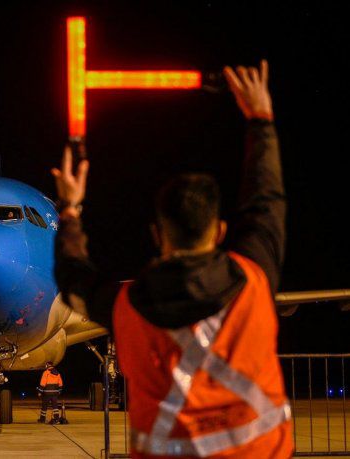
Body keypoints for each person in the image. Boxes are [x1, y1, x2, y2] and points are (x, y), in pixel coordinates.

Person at [52, 60, 293, 457]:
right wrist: (260, 119)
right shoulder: (254, 279)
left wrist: (70, 210)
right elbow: (266, 200)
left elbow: (72, 276)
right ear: (219, 231)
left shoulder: (126, 307)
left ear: (156, 234)